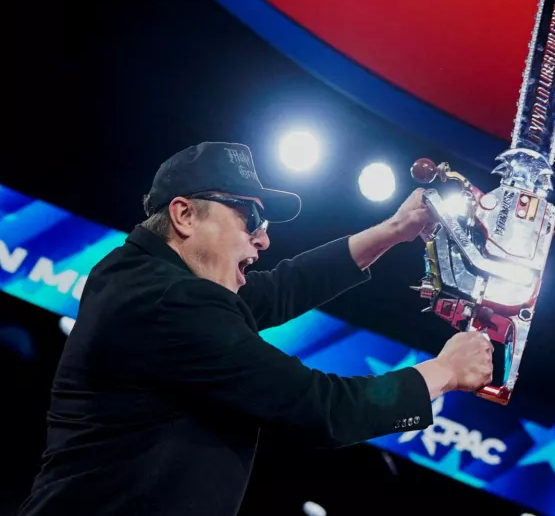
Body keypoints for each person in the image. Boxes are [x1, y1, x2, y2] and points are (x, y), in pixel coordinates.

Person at [17, 142, 494, 516]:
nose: (263, 239)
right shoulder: (169, 301)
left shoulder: (141, 278)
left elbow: (281, 288)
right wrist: (444, 372)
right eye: (251, 218)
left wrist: (394, 228)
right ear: (184, 215)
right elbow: (322, 408)